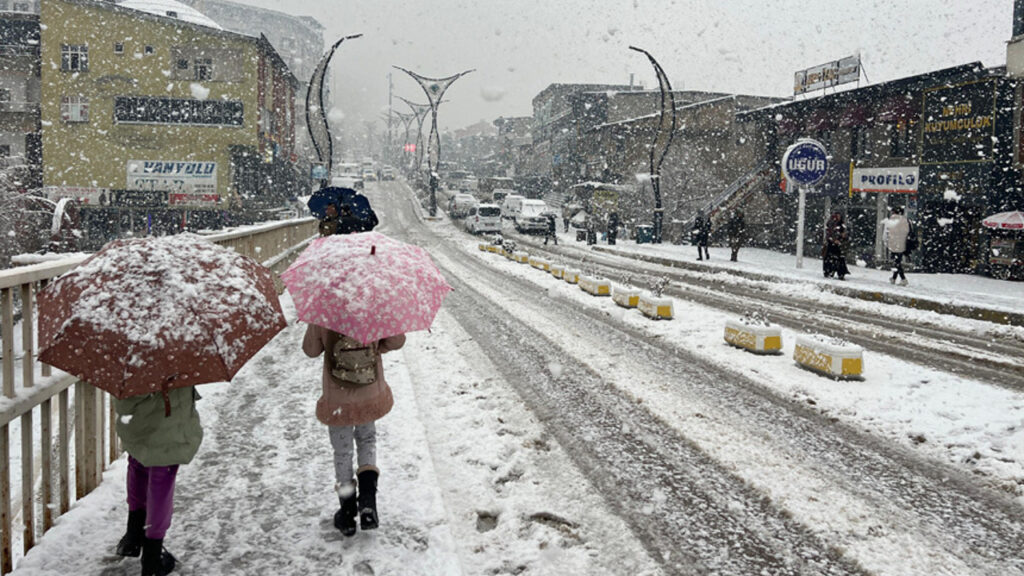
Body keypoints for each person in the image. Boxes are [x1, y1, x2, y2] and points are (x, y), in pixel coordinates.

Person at [303, 325, 406, 537]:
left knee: (342, 452)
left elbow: (310, 350)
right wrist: (375, 347)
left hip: (337, 398)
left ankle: (347, 514)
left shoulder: (323, 312)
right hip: (368, 393)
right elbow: (397, 341)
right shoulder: (372, 307)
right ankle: (368, 504)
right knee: (367, 441)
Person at [114, 387, 203, 576]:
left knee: (138, 464)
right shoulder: (177, 358)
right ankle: (152, 558)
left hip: (136, 417)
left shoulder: (129, 360)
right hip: (168, 420)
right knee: (161, 479)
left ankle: (133, 535)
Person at [886, 206, 911, 286]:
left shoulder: (892, 220)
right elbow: (907, 231)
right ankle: (893, 278)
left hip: (894, 244)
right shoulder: (905, 220)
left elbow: (887, 232)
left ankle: (903, 279)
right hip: (902, 244)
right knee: (897, 261)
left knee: (896, 262)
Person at [822, 211, 850, 280]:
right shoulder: (831, 223)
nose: (838, 217)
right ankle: (830, 271)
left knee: (839, 258)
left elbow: (844, 233)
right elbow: (829, 233)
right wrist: (834, 240)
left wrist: (842, 237)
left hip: (838, 245)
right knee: (830, 258)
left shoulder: (841, 224)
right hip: (831, 244)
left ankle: (840, 272)